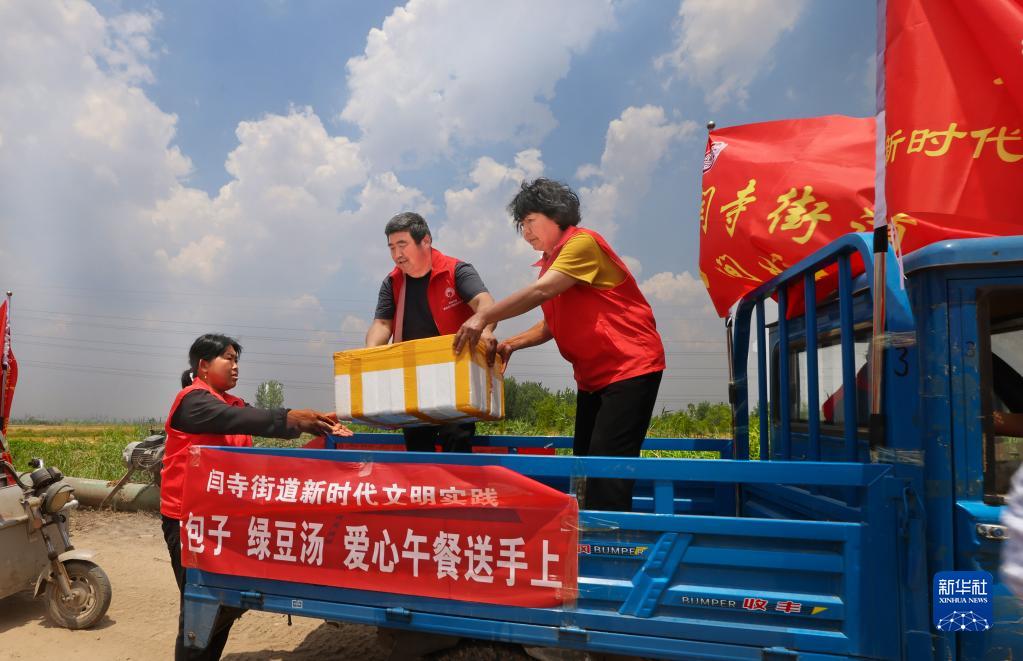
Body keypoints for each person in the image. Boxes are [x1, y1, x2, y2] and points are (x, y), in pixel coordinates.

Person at [453, 178, 665, 511]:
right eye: (521, 226)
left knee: (606, 470)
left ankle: (610, 539)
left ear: (556, 215)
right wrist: (512, 344)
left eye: (530, 221)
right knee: (583, 465)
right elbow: (552, 324)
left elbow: (542, 292)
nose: (526, 233)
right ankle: (588, 532)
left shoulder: (583, 244)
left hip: (629, 367)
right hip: (593, 377)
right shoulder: (550, 264)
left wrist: (482, 317)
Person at [161, 333, 351, 660]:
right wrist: (294, 418)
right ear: (203, 366)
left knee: (222, 603)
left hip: (223, 521)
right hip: (188, 522)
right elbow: (247, 420)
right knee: (201, 605)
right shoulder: (193, 402)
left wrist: (320, 422)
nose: (235, 366)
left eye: (237, 360)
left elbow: (258, 420)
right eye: (228, 359)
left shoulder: (231, 403)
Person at [365, 211, 496, 453]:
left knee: (455, 440)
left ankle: (457, 480)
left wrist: (485, 328)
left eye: (402, 245)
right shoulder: (392, 282)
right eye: (391, 248)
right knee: (417, 447)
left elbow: (484, 304)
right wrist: (371, 355)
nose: (397, 254)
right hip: (413, 380)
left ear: (425, 240)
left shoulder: (456, 271)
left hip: (456, 376)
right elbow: (382, 324)